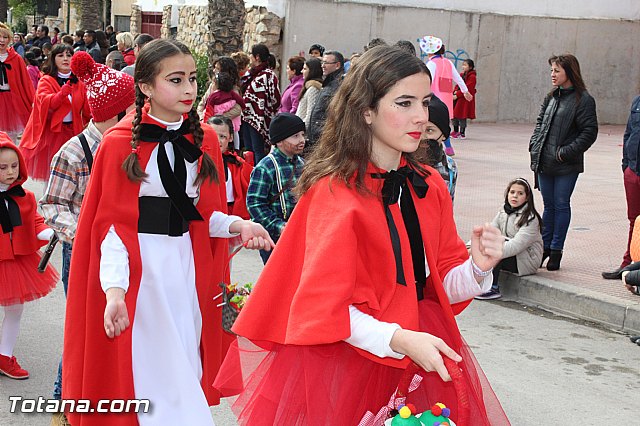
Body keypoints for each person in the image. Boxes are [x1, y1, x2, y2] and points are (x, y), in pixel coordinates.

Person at [214, 45, 508, 425]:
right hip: (350, 359)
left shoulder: (429, 184)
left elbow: (436, 285)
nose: (421, 116)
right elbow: (324, 308)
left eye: (425, 102)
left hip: (424, 347)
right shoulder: (333, 193)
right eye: (404, 103)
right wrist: (399, 338)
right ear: (366, 110)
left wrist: (478, 270)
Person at [61, 39, 273, 426]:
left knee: (186, 367)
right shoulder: (117, 144)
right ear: (145, 86)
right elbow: (112, 231)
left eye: (193, 79)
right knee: (152, 379)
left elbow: (203, 217)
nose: (189, 89)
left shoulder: (205, 138)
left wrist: (240, 224)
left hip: (186, 274)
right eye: (175, 80)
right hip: (143, 279)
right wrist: (114, 292)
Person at [39, 52, 136, 425]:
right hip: (81, 253)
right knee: (83, 328)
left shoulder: (129, 144)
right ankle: (64, 403)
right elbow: (51, 206)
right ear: (112, 113)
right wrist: (85, 232)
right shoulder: (74, 152)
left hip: (122, 251)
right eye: (131, 109)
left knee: (115, 325)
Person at [529, 53, 598, 271]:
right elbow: (540, 123)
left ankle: (557, 250)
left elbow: (589, 132)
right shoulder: (551, 96)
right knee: (548, 206)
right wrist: (534, 144)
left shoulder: (583, 99)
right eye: (551, 70)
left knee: (561, 204)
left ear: (569, 71)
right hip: (544, 160)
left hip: (566, 163)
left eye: (557, 70)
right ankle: (545, 248)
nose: (552, 74)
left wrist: (565, 152)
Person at [0, 132, 58, 380]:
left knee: (15, 311)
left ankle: (4, 356)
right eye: (2, 167)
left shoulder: (26, 197)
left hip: (15, 263)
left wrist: (51, 232)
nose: (10, 172)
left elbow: (35, 223)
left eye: (14, 166)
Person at [20, 44, 90, 181]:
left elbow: (86, 109)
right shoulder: (46, 80)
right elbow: (45, 103)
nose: (65, 58)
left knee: (71, 175)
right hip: (52, 134)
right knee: (51, 175)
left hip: (72, 131)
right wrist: (61, 95)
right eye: (60, 55)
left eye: (69, 55)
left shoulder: (80, 82)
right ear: (53, 59)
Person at [246, 112, 305, 264]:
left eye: (302, 135)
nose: (302, 140)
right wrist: (279, 226)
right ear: (279, 141)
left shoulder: (304, 165)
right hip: (273, 237)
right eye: (295, 136)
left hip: (300, 234)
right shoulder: (266, 167)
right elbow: (255, 204)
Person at [475, 178, 543, 300]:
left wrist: (490, 251)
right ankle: (478, 283)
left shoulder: (531, 219)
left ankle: (493, 288)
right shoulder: (503, 211)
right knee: (488, 244)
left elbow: (517, 245)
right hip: (508, 252)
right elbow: (490, 231)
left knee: (495, 249)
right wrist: (472, 247)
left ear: (527, 198)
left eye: (520, 193)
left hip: (525, 260)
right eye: (512, 192)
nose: (515, 196)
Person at [602, 96, 640, 280]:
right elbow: (628, 134)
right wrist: (626, 166)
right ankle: (628, 264)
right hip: (633, 171)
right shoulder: (637, 102)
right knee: (635, 220)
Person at [241, 43, 281, 163]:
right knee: (249, 150)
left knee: (258, 150)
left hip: (260, 119)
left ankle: (259, 175)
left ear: (257, 57)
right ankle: (247, 175)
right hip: (246, 117)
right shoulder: (250, 74)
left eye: (251, 55)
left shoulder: (269, 75)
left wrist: (265, 109)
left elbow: (275, 98)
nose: (250, 58)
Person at [209, 115, 253, 220]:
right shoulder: (197, 162)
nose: (217, 140)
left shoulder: (238, 164)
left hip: (233, 214)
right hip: (208, 214)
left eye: (222, 136)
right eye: (213, 135)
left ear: (231, 137)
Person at [415, 96, 458, 202]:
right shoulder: (401, 164)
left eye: (429, 131)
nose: (423, 137)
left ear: (443, 135)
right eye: (419, 130)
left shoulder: (450, 167)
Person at [0, 23, 36, 142]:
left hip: (11, 100)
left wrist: (32, 100)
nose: (2, 40)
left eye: (5, 37)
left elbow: (25, 82)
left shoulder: (16, 58)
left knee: (11, 136)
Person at [306, 50, 344, 152]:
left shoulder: (339, 86)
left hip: (324, 142)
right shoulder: (328, 83)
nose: (322, 65)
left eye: (326, 63)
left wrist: (324, 135)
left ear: (337, 65)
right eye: (322, 62)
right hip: (317, 140)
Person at [203, 71, 245, 144]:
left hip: (217, 116)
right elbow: (240, 101)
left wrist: (206, 121)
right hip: (232, 119)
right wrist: (244, 107)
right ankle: (236, 148)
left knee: (218, 134)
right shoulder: (232, 93)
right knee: (235, 133)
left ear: (217, 85)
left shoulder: (213, 96)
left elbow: (209, 107)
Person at [452, 59, 477, 140]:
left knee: (462, 115)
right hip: (458, 97)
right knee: (454, 114)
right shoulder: (462, 75)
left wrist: (457, 95)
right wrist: (454, 92)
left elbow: (468, 88)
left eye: (465, 65)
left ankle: (462, 133)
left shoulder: (472, 77)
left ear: (470, 67)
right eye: (463, 64)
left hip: (464, 99)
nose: (463, 66)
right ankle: (455, 131)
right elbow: (458, 84)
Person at [295, 57, 322, 127]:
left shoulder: (313, 88)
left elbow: (310, 115)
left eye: (305, 69)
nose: (301, 71)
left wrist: (301, 130)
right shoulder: (308, 86)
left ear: (312, 71)